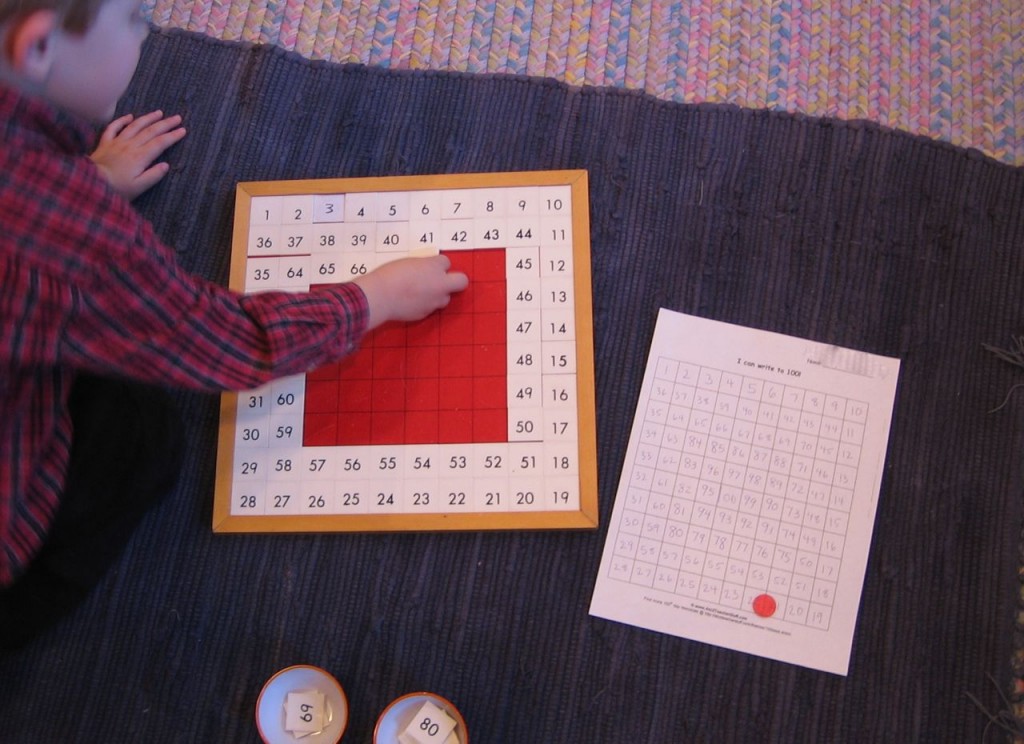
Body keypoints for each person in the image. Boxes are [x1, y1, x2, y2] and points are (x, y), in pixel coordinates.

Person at [0, 0, 469, 648]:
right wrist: (373, 298)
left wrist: (79, 179)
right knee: (141, 435)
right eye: (136, 19)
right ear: (39, 46)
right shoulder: (68, 237)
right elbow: (229, 341)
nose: (148, 31)